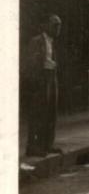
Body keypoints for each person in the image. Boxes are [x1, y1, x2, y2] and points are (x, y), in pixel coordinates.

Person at [22, 14, 62, 157]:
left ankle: (47, 144)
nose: (58, 28)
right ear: (47, 26)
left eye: (59, 25)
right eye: (55, 25)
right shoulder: (37, 41)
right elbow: (30, 62)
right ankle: (33, 146)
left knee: (51, 112)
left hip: (52, 78)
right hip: (40, 80)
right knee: (38, 113)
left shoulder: (53, 42)